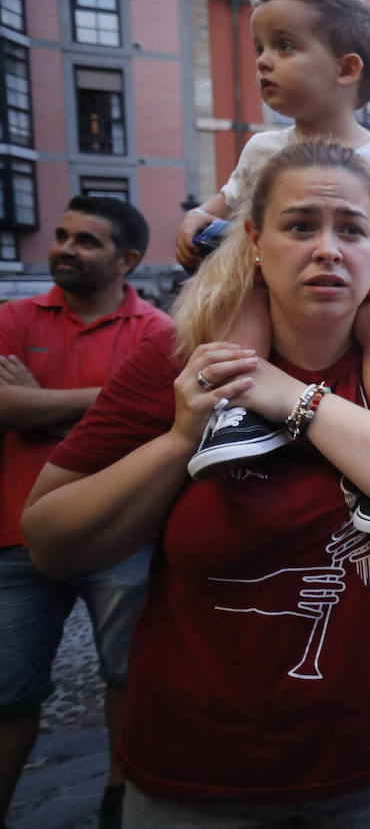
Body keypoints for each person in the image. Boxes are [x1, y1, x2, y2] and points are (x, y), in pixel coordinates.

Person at [21, 142, 370, 825]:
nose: (327, 248)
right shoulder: (183, 357)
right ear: (254, 240)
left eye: (351, 229)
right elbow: (50, 540)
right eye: (301, 226)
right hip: (201, 765)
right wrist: (182, 439)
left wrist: (292, 400)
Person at [173, 0, 370, 534]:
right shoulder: (263, 149)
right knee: (247, 302)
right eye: (259, 48)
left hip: (365, 288)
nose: (262, 62)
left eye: (283, 46)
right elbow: (226, 202)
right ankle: (238, 415)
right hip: (273, 287)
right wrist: (195, 220)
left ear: (346, 69)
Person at [0, 197, 170, 829]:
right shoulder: (14, 317)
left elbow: (152, 427)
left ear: (126, 260)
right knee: (7, 691)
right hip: (13, 535)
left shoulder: (156, 331)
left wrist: (38, 402)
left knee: (129, 673)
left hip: (123, 533)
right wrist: (108, 402)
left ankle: (119, 796)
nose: (66, 248)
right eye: (63, 236)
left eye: (87, 241)